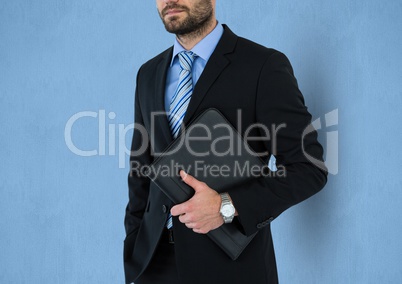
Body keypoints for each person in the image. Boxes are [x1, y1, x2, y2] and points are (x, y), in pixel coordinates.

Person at [123, 0, 327, 283]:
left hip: (232, 268)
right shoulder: (148, 74)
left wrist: (226, 206)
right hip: (154, 266)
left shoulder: (263, 66)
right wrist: (134, 244)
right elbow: (140, 170)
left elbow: (309, 168)